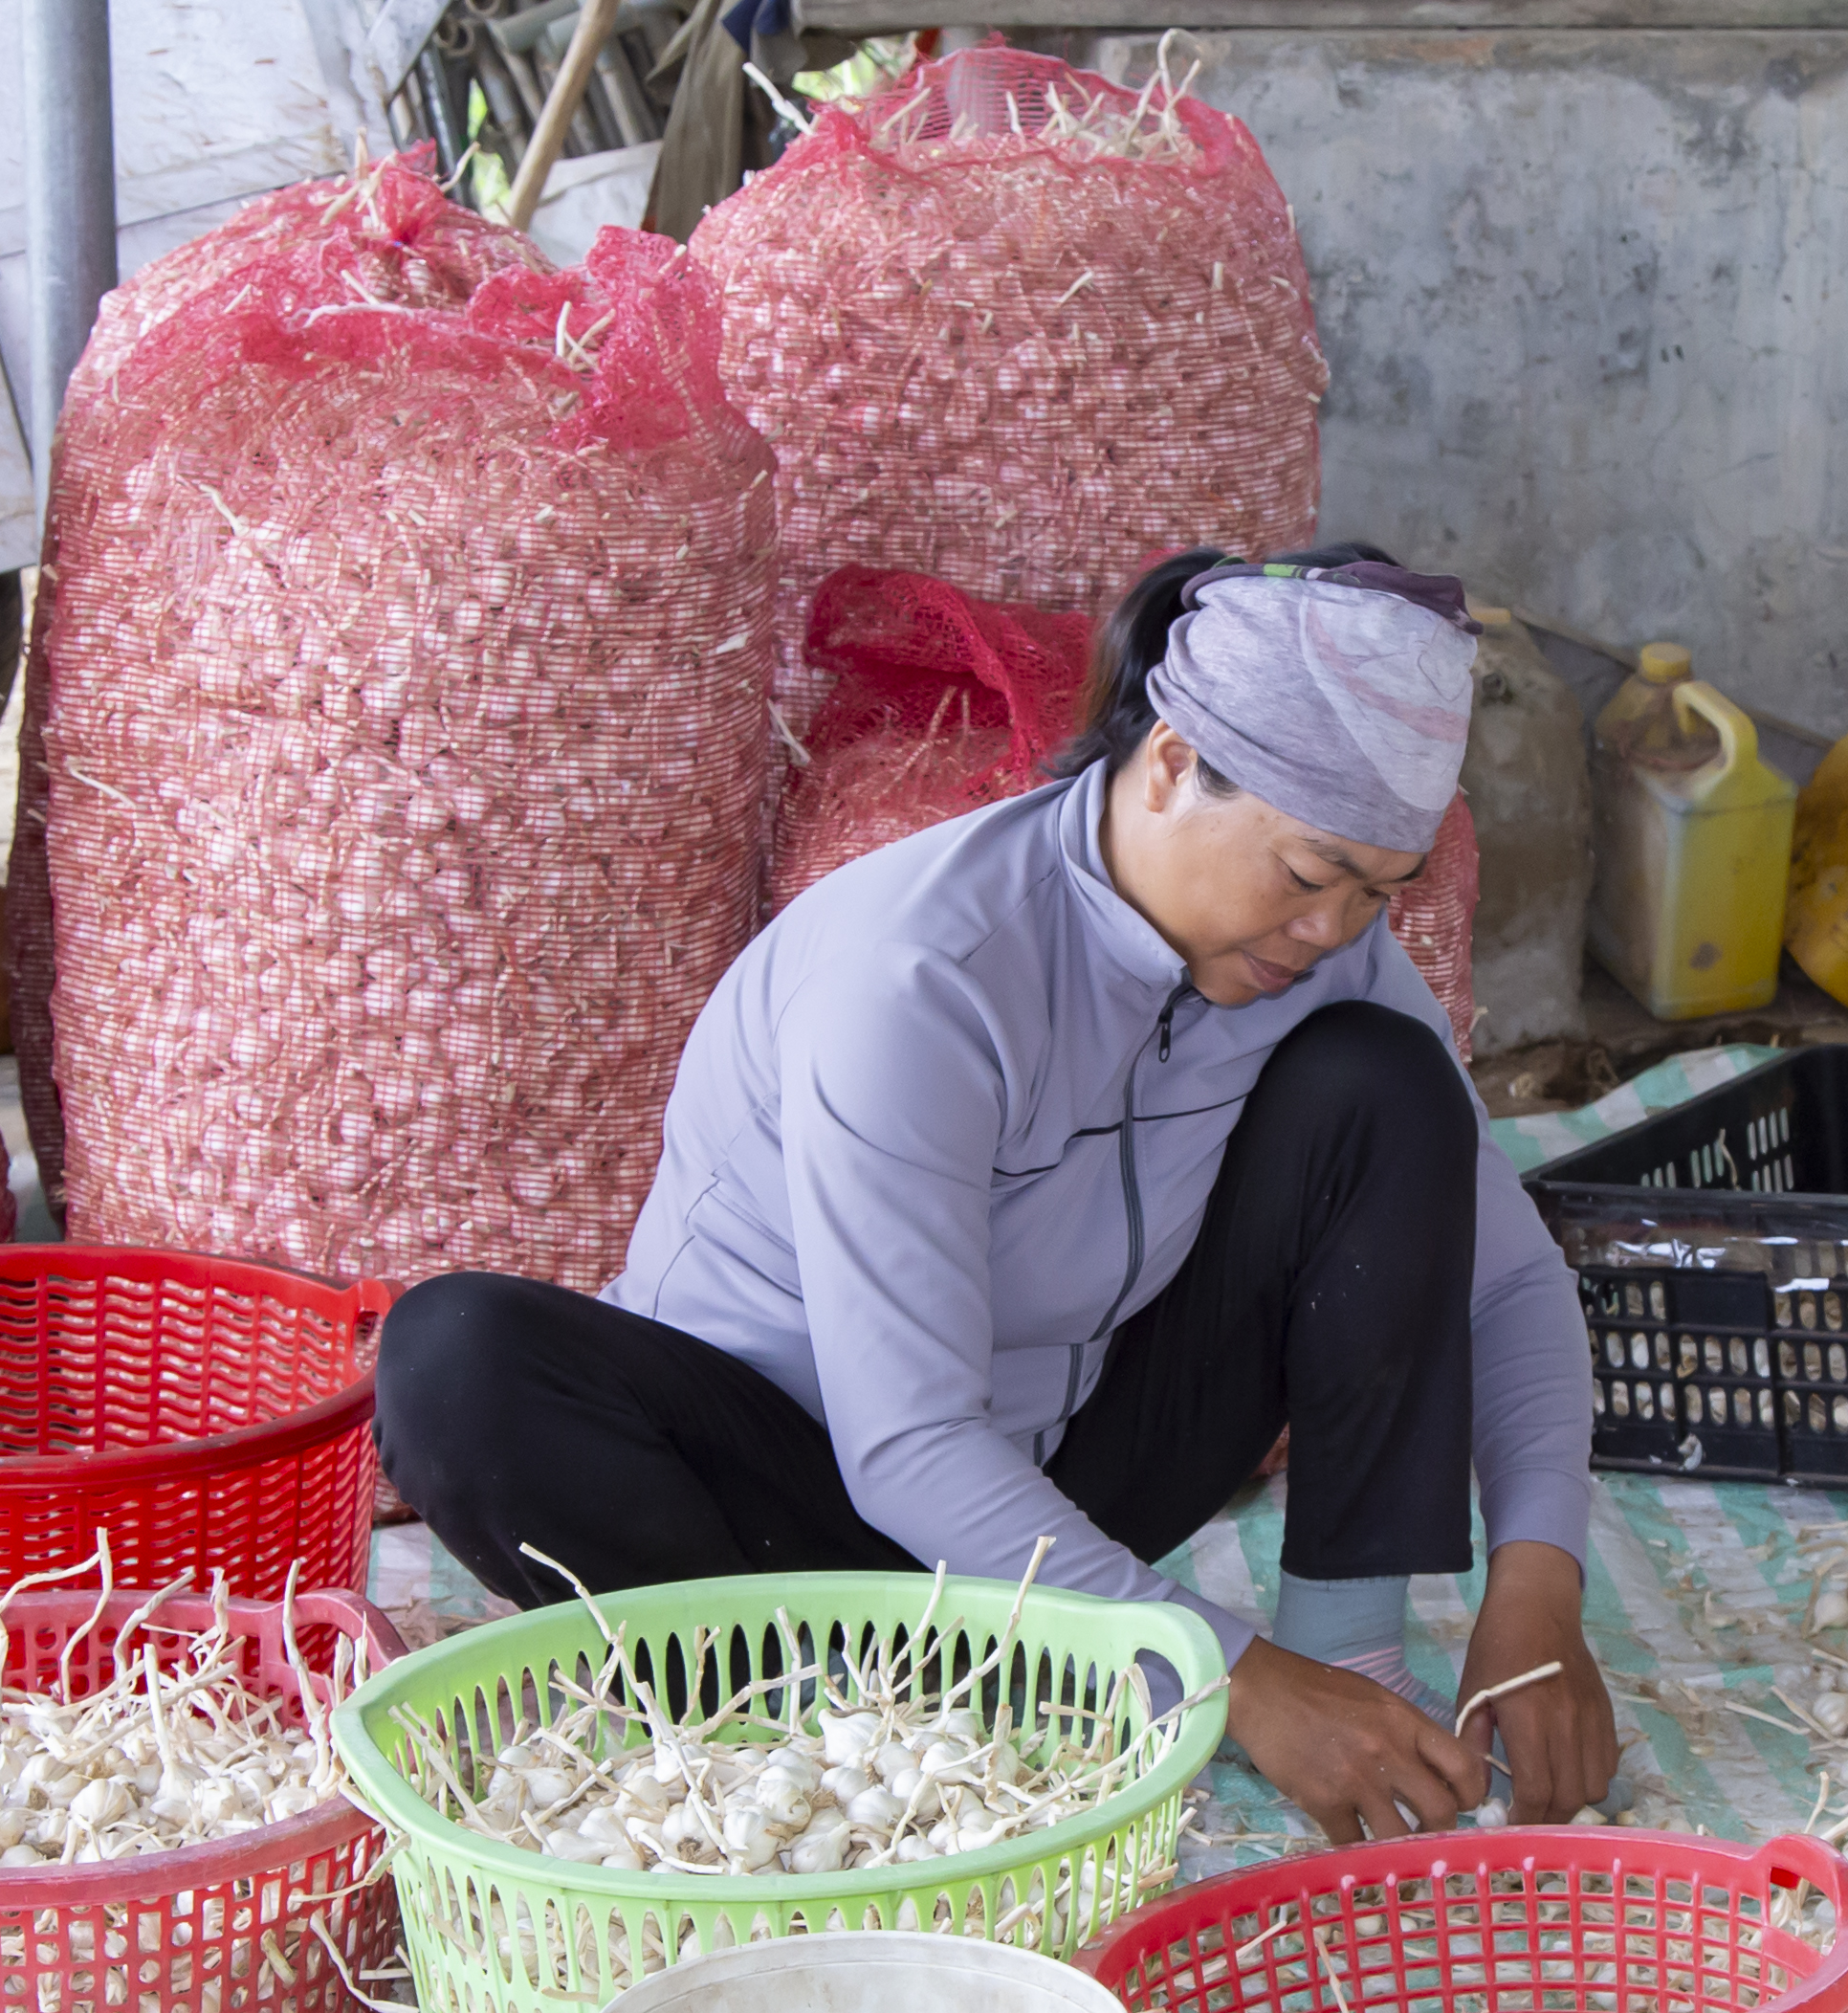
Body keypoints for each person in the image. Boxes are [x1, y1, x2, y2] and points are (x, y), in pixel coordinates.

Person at [374, 544, 1616, 1845]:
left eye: (1378, 892)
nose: (1332, 932)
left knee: (1384, 1081)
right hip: (769, 1523)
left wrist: (1536, 1584)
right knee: (456, 1357)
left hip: (1049, 1504)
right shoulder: (926, 975)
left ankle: (1347, 1662)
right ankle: (816, 1734)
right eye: (1309, 877)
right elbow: (904, 1445)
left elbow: (1511, 1276)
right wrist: (1229, 1680)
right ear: (1175, 761)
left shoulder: (1324, 965)